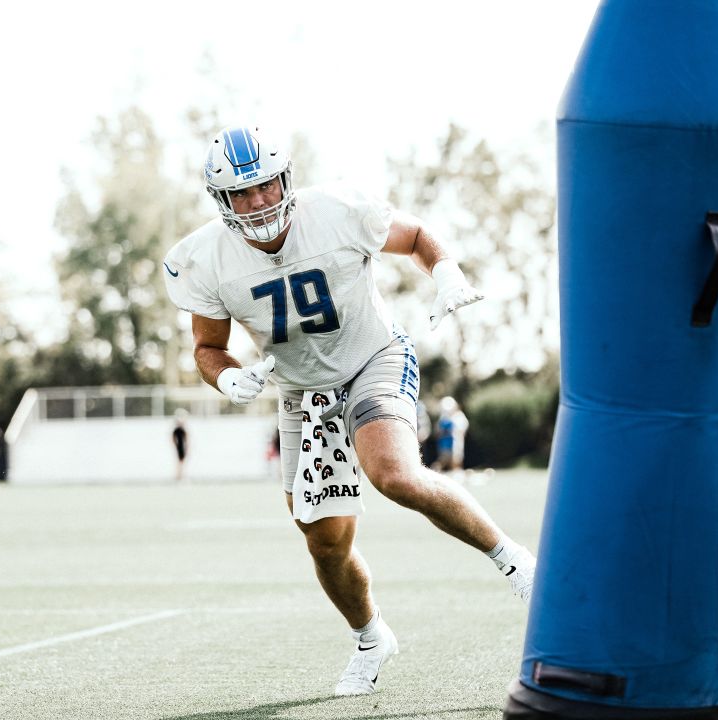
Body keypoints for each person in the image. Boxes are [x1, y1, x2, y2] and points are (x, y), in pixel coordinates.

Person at [163, 126, 537, 697]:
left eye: (266, 185)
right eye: (243, 193)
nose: (259, 201)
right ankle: (370, 637)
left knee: (394, 475)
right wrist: (229, 376)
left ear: (285, 178)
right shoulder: (206, 258)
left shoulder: (335, 210)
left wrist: (446, 272)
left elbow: (414, 237)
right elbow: (208, 347)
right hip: (299, 394)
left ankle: (515, 563)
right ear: (222, 201)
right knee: (324, 541)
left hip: (373, 358)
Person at [434, 396, 469, 476]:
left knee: (456, 460)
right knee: (444, 461)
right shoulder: (443, 418)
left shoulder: (459, 416)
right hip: (445, 444)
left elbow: (461, 431)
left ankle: (457, 476)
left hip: (456, 442)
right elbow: (438, 432)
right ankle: (434, 473)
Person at [171, 409, 190, 483]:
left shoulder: (180, 430)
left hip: (181, 446)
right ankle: (179, 476)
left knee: (181, 462)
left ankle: (180, 475)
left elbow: (186, 439)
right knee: (180, 462)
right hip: (180, 447)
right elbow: (173, 439)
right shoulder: (178, 430)